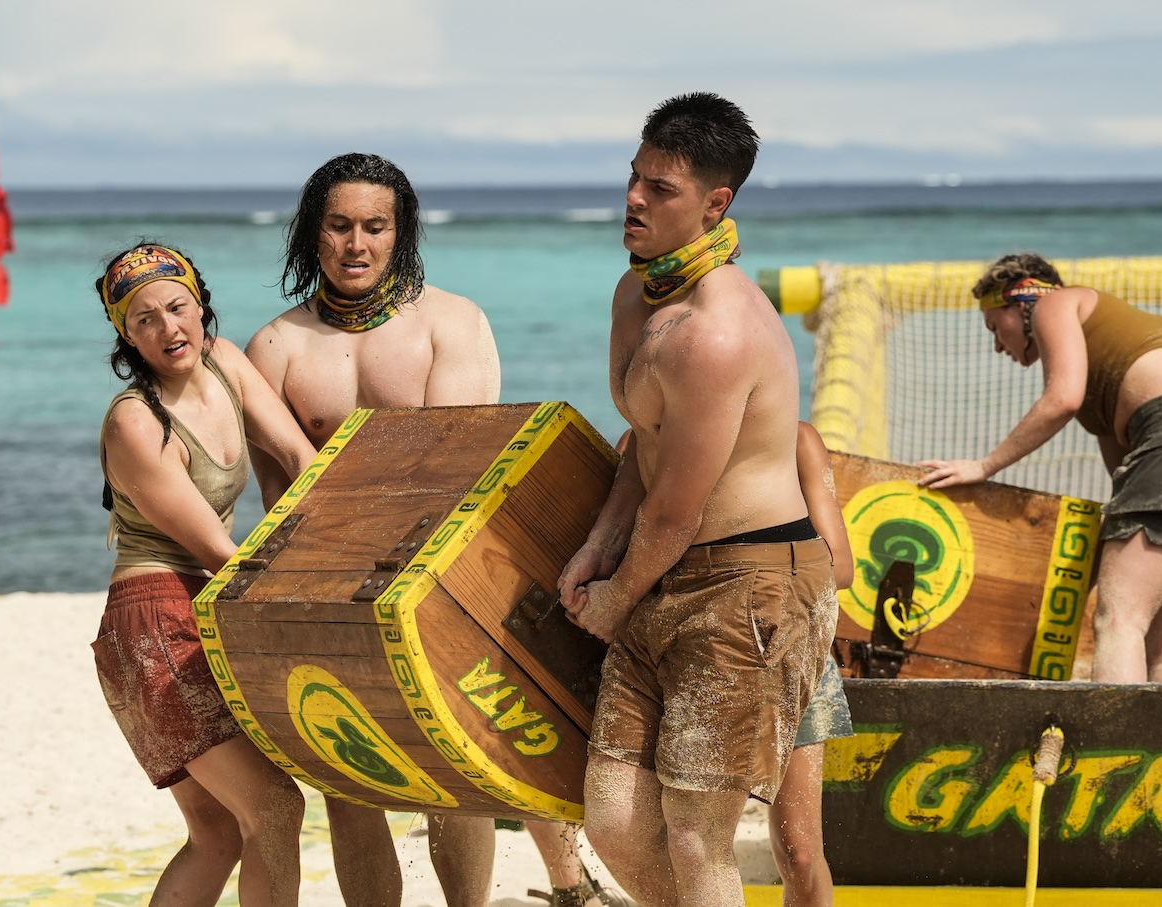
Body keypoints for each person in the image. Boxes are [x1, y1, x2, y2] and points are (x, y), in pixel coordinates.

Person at [555, 93, 839, 907]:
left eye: (661, 189)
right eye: (633, 178)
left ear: (717, 203)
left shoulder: (719, 333)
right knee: (610, 818)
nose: (635, 199)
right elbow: (647, 449)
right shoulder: (635, 294)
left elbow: (680, 506)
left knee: (698, 833)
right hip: (664, 565)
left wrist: (613, 597)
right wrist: (595, 549)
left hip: (748, 584)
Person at [245, 152, 503, 907]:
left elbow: (457, 472)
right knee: (347, 784)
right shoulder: (277, 346)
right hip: (325, 589)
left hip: (437, 581)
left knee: (453, 775)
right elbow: (277, 506)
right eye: (340, 225)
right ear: (312, 233)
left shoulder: (448, 324)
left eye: (375, 227)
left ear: (400, 234)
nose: (357, 244)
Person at [92, 241, 321, 907]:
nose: (168, 328)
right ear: (127, 338)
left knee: (217, 833)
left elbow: (300, 457)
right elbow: (222, 553)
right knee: (275, 807)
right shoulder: (136, 423)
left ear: (200, 305)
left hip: (198, 608)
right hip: (153, 621)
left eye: (177, 306)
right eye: (144, 320)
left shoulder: (226, 362)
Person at [916, 253, 1162, 683]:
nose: (996, 345)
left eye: (994, 327)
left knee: (1118, 623)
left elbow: (1062, 399)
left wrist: (984, 466)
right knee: (1157, 646)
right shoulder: (1105, 378)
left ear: (1020, 301)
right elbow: (1128, 486)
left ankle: (1118, 748)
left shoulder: (1054, 303)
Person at [770, 423, 854, 907]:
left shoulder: (797, 440)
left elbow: (840, 566)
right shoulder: (646, 440)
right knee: (693, 840)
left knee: (800, 854)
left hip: (794, 647)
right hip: (693, 654)